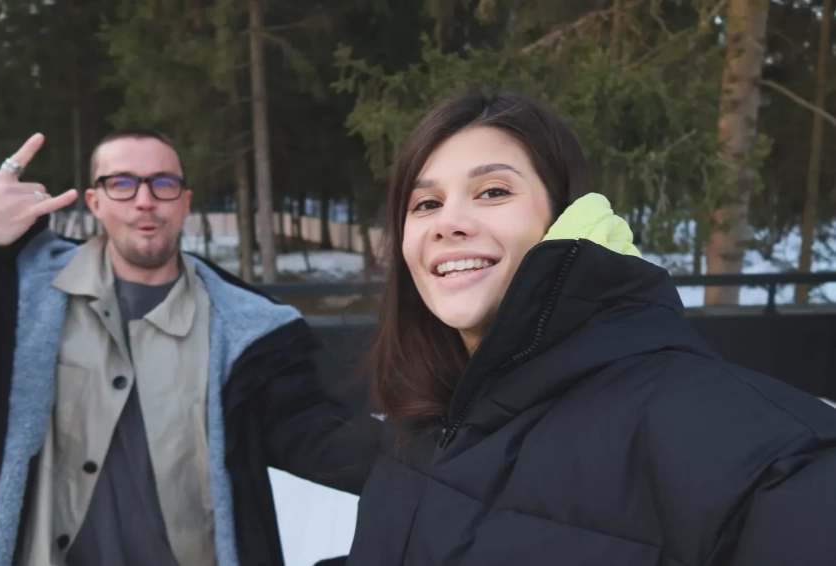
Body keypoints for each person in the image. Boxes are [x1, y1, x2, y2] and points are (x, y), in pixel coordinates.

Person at [344, 91, 836, 565]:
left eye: (493, 191)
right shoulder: (423, 417)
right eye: (425, 204)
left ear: (564, 218)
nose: (447, 222)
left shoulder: (680, 417)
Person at [0, 130, 380, 566]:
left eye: (163, 183)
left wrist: (432, 458)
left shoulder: (246, 332)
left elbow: (320, 439)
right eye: (122, 183)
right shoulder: (23, 297)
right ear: (95, 202)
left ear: (185, 202)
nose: (144, 200)